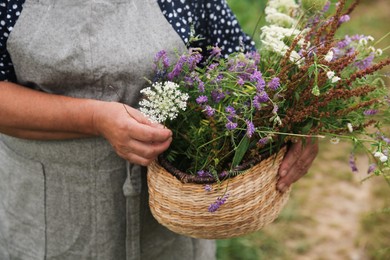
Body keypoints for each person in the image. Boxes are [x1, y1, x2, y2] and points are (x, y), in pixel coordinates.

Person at [0, 0, 318, 259]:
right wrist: (94, 118)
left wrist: (294, 119)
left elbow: (240, 62)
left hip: (173, 216)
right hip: (48, 216)